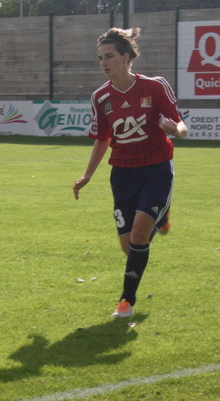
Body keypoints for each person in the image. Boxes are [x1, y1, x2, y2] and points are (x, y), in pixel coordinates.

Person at [73, 27, 187, 318]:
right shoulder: (101, 97)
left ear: (126, 57)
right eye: (100, 58)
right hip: (122, 174)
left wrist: (176, 130)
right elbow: (103, 137)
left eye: (109, 56)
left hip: (156, 169)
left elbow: (180, 125)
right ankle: (159, 216)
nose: (103, 63)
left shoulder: (155, 87)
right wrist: (87, 175)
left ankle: (126, 302)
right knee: (129, 246)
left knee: (139, 233)